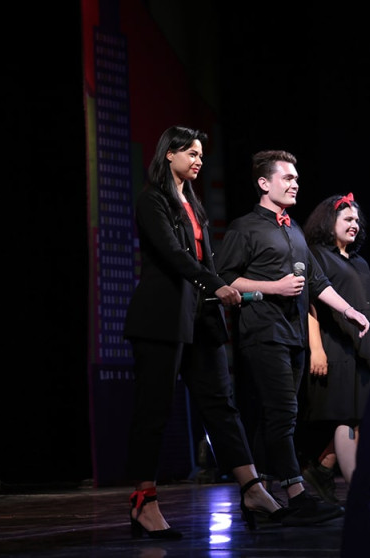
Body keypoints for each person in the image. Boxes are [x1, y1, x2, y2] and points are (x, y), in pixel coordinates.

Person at [123, 126, 285, 538]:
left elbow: (204, 259)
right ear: (169, 154)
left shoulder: (193, 204)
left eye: (200, 154)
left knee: (221, 405)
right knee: (154, 411)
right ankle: (144, 502)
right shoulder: (152, 200)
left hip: (201, 318)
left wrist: (218, 291)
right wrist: (216, 285)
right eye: (191, 153)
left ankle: (251, 488)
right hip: (161, 319)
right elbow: (173, 255)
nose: (198, 160)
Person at [214, 150, 370, 526]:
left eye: (296, 178)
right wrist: (273, 287)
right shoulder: (245, 227)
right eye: (287, 178)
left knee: (279, 414)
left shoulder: (293, 228)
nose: (295, 183)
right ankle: (296, 495)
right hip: (263, 332)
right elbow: (223, 278)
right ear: (264, 183)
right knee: (282, 413)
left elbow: (317, 281)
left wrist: (349, 310)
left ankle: (259, 492)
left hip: (293, 333)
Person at [299, 192, 370, 504]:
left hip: (366, 347)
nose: (355, 224)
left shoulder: (359, 261)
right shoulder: (317, 255)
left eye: (357, 220)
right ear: (330, 222)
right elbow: (310, 305)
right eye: (347, 219)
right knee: (347, 416)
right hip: (337, 345)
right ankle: (359, 490)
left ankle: (322, 468)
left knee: (366, 415)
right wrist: (316, 348)